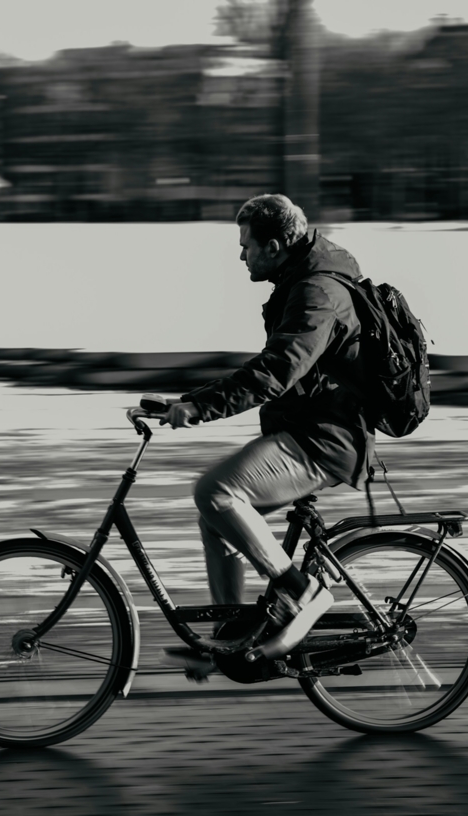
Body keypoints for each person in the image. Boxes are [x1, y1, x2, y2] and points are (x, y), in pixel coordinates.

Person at [160, 193, 372, 673]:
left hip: (325, 440)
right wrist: (187, 400)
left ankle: (302, 590)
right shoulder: (301, 281)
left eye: (246, 245)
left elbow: (277, 371)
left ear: (274, 246)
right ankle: (232, 636)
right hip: (305, 430)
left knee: (215, 491)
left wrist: (198, 408)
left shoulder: (318, 294)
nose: (241, 255)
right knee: (216, 515)